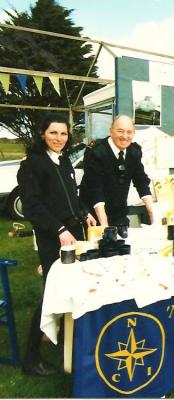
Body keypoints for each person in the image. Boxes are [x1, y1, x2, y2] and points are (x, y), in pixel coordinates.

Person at [17, 114, 96, 376]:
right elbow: (33, 207)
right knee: (52, 293)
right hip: (53, 237)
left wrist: (84, 212)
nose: (59, 139)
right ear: (42, 133)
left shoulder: (63, 162)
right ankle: (31, 358)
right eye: (53, 133)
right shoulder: (32, 165)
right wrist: (59, 229)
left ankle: (65, 340)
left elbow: (71, 197)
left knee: (74, 289)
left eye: (63, 134)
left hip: (74, 233)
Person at [80, 115, 154, 227]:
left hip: (119, 215)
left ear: (134, 133)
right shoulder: (96, 151)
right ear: (111, 131)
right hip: (94, 217)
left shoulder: (134, 152)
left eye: (129, 132)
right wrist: (105, 228)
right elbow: (95, 190)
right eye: (120, 131)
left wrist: (153, 216)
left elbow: (141, 182)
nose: (125, 136)